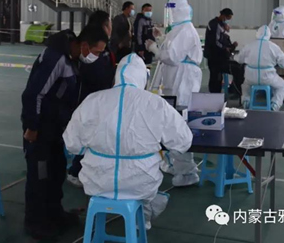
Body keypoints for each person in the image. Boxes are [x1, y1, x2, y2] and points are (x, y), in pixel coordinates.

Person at [63, 54, 192, 230]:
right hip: (140, 183)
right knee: (147, 190)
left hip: (97, 182)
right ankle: (141, 221)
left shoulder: (93, 100)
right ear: (143, 77)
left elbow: (72, 144)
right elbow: (183, 141)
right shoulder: (155, 103)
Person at [21, 28, 109, 239]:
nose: (96, 57)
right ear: (84, 45)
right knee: (39, 175)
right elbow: (34, 93)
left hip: (55, 128)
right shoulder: (56, 58)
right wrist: (32, 127)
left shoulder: (72, 59)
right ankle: (35, 222)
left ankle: (54, 213)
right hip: (40, 128)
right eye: (96, 52)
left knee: (56, 171)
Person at [145, 0, 201, 187]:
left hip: (183, 81)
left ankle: (187, 172)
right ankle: (177, 164)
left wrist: (154, 49)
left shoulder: (185, 30)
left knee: (179, 125)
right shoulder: (178, 29)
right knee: (172, 122)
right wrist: (160, 38)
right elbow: (171, 48)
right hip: (176, 80)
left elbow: (172, 56)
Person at [67, 14, 116, 187]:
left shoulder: (104, 51)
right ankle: (75, 171)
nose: (111, 29)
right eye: (109, 25)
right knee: (86, 138)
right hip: (88, 103)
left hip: (101, 101)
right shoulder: (84, 57)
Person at [237, 26, 284, 111]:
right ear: (269, 35)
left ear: (257, 34)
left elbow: (239, 59)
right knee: (281, 86)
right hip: (267, 78)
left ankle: (246, 102)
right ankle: (274, 105)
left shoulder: (249, 46)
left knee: (245, 86)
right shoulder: (274, 47)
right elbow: (283, 64)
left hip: (251, 77)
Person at [204, 8, 244, 94]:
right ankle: (216, 95)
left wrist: (233, 46)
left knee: (239, 68)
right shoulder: (215, 25)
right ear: (223, 16)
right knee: (215, 77)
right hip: (215, 58)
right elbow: (215, 43)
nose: (227, 23)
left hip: (221, 58)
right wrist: (225, 48)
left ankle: (233, 90)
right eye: (228, 18)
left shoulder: (222, 29)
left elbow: (226, 47)